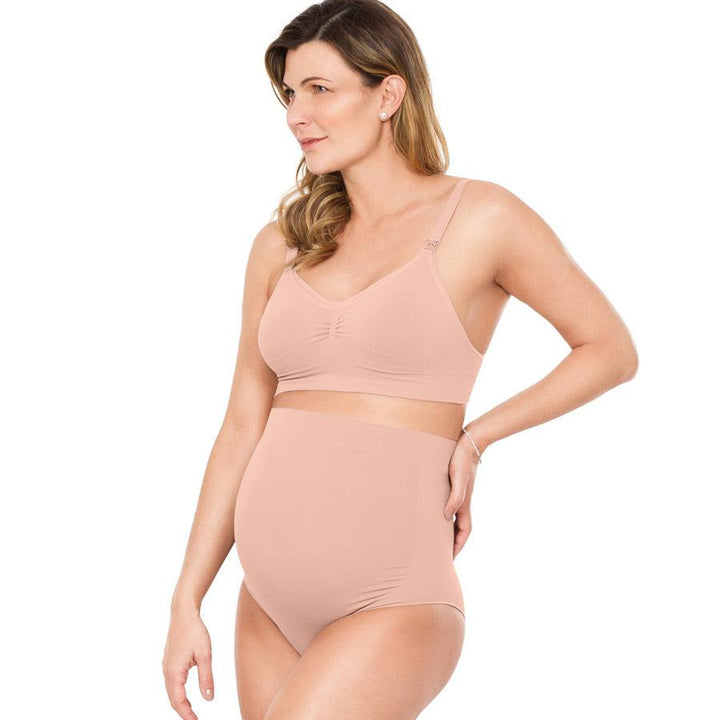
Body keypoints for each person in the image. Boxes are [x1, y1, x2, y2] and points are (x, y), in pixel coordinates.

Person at [162, 1, 639, 718]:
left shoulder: (481, 218)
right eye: (289, 93)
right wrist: (186, 600)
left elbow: (609, 348)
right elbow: (239, 428)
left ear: (388, 94)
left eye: (320, 89)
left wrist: (477, 437)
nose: (296, 114)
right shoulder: (282, 244)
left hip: (394, 597)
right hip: (266, 602)